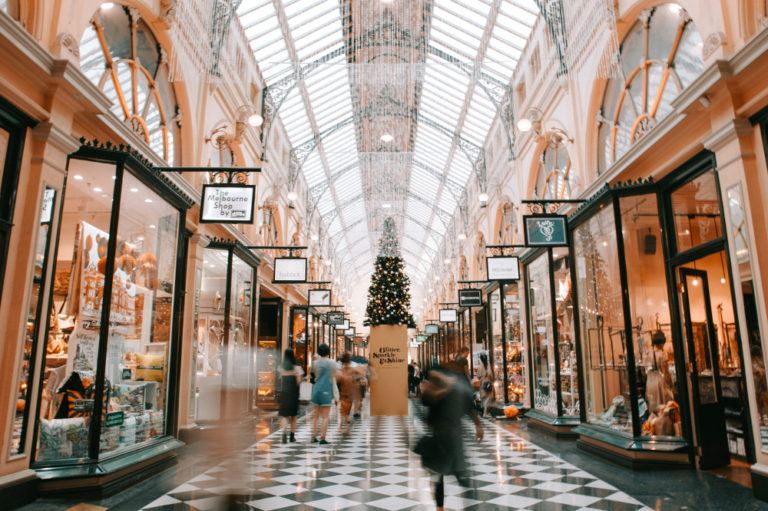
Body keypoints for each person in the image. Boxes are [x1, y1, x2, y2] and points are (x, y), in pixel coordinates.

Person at [417, 362, 483, 511]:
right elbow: (426, 400)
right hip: (441, 437)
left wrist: (478, 425)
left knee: (458, 475)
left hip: (452, 436)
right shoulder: (435, 390)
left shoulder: (453, 389)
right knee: (442, 476)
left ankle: (466, 505)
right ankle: (440, 508)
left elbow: (468, 405)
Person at [310, 344, 336, 444]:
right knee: (325, 416)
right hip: (326, 390)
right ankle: (322, 438)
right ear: (328, 352)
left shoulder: (315, 363)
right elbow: (335, 374)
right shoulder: (332, 363)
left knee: (315, 416)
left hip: (316, 390)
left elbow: (312, 374)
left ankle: (313, 437)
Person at [278, 349, 303, 443]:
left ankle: (284, 433)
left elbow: (279, 381)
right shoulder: (297, 368)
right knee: (293, 415)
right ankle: (292, 436)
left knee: (284, 415)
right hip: (293, 394)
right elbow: (298, 382)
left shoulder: (281, 368)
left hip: (284, 393)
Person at [337, 352, 363, 435]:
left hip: (343, 393)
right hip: (350, 393)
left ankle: (344, 425)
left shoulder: (341, 370)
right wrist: (357, 381)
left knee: (343, 411)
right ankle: (346, 429)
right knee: (347, 411)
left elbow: (338, 381)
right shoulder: (353, 369)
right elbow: (361, 374)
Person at [477, 353, 494, 417]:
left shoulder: (480, 366)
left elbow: (478, 376)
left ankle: (484, 412)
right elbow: (490, 374)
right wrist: (492, 380)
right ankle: (485, 413)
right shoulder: (488, 365)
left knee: (484, 397)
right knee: (488, 397)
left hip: (482, 382)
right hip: (487, 382)